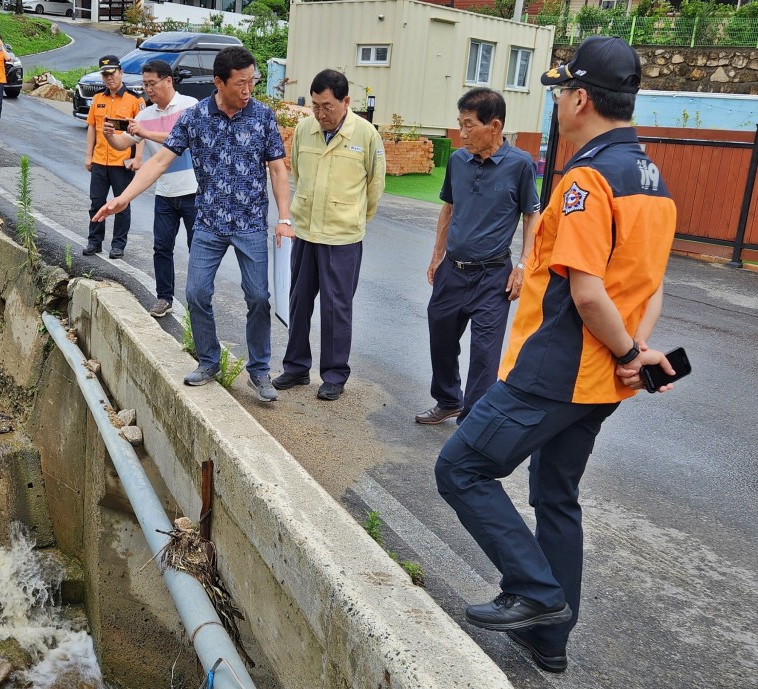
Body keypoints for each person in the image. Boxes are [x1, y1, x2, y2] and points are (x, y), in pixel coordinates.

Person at [434, 36, 678, 674]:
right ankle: (550, 641)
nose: (557, 105)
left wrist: (625, 347)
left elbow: (588, 290)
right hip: (605, 379)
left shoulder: (587, 178)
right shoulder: (653, 177)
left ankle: (538, 596)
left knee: (461, 469)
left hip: (556, 370)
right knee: (556, 495)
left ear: (579, 98)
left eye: (559, 93)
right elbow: (648, 284)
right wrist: (635, 354)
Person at [92, 46, 291, 403]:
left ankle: (260, 370)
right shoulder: (195, 117)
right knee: (196, 293)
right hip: (209, 222)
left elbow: (277, 168)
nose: (248, 90)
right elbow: (160, 161)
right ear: (219, 82)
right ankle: (208, 360)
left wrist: (284, 218)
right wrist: (125, 198)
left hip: (250, 224)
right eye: (241, 83)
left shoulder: (263, 116)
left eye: (252, 82)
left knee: (259, 297)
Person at [416, 88, 540, 426]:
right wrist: (436, 255)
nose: (462, 133)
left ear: (494, 125)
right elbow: (449, 208)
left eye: (469, 125)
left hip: (493, 275)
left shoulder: (520, 165)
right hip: (453, 270)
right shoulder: (458, 160)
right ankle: (448, 399)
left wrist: (524, 265)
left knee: (485, 354)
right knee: (440, 336)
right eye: (460, 124)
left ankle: (472, 421)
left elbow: (532, 215)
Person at [271, 69, 385, 402]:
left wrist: (353, 219)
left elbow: (375, 186)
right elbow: (296, 171)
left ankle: (334, 374)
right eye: (316, 106)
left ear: (346, 101)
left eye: (328, 106)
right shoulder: (305, 129)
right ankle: (295, 367)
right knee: (299, 301)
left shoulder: (365, 135)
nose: (321, 114)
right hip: (306, 231)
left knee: (337, 308)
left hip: (343, 237)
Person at [102, 60, 198, 318]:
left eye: (152, 84)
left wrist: (144, 132)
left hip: (194, 191)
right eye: (144, 84)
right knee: (161, 247)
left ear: (168, 81)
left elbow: (182, 138)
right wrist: (110, 134)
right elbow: (124, 143)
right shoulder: (145, 114)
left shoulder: (190, 107)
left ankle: (199, 299)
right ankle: (164, 297)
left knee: (197, 248)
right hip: (165, 191)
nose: (148, 89)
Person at [84, 54, 143, 260]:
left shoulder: (135, 100)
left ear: (121, 73)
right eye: (105, 75)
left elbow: (141, 132)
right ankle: (94, 241)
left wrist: (138, 159)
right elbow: (92, 127)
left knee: (121, 204)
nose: (109, 78)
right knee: (96, 202)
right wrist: (88, 155)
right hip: (100, 160)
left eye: (112, 73)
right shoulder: (98, 99)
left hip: (122, 163)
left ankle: (118, 245)